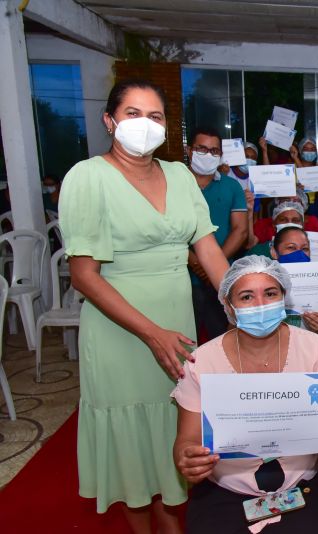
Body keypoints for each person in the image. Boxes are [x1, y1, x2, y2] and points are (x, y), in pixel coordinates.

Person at [59, 79, 231, 532]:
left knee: (173, 421)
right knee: (130, 432)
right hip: (121, 329)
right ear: (109, 121)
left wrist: (241, 305)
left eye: (155, 117)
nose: (145, 125)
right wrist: (151, 333)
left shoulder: (179, 176)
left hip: (177, 320)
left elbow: (209, 250)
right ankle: (142, 523)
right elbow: (84, 275)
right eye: (133, 114)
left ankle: (169, 515)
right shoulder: (88, 177)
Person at [172, 256, 318, 534]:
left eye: (270, 293)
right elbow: (185, 440)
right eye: (246, 296)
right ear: (230, 307)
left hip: (303, 481)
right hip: (227, 488)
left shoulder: (313, 347)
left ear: (284, 297)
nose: (261, 304)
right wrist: (187, 458)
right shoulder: (202, 361)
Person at [187, 127, 249, 341]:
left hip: (221, 279)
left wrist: (211, 262)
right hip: (181, 278)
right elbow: (166, 229)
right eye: (201, 149)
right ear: (189, 150)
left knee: (223, 342)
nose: (208, 154)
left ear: (221, 155)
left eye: (214, 151)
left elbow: (240, 231)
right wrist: (194, 260)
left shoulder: (232, 186)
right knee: (183, 343)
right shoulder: (175, 183)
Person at [253, 188, 318, 243]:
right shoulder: (263, 223)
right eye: (286, 200)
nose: (291, 203)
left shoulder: (312, 221)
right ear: (278, 203)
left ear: (304, 206)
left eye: (296, 201)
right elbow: (250, 245)